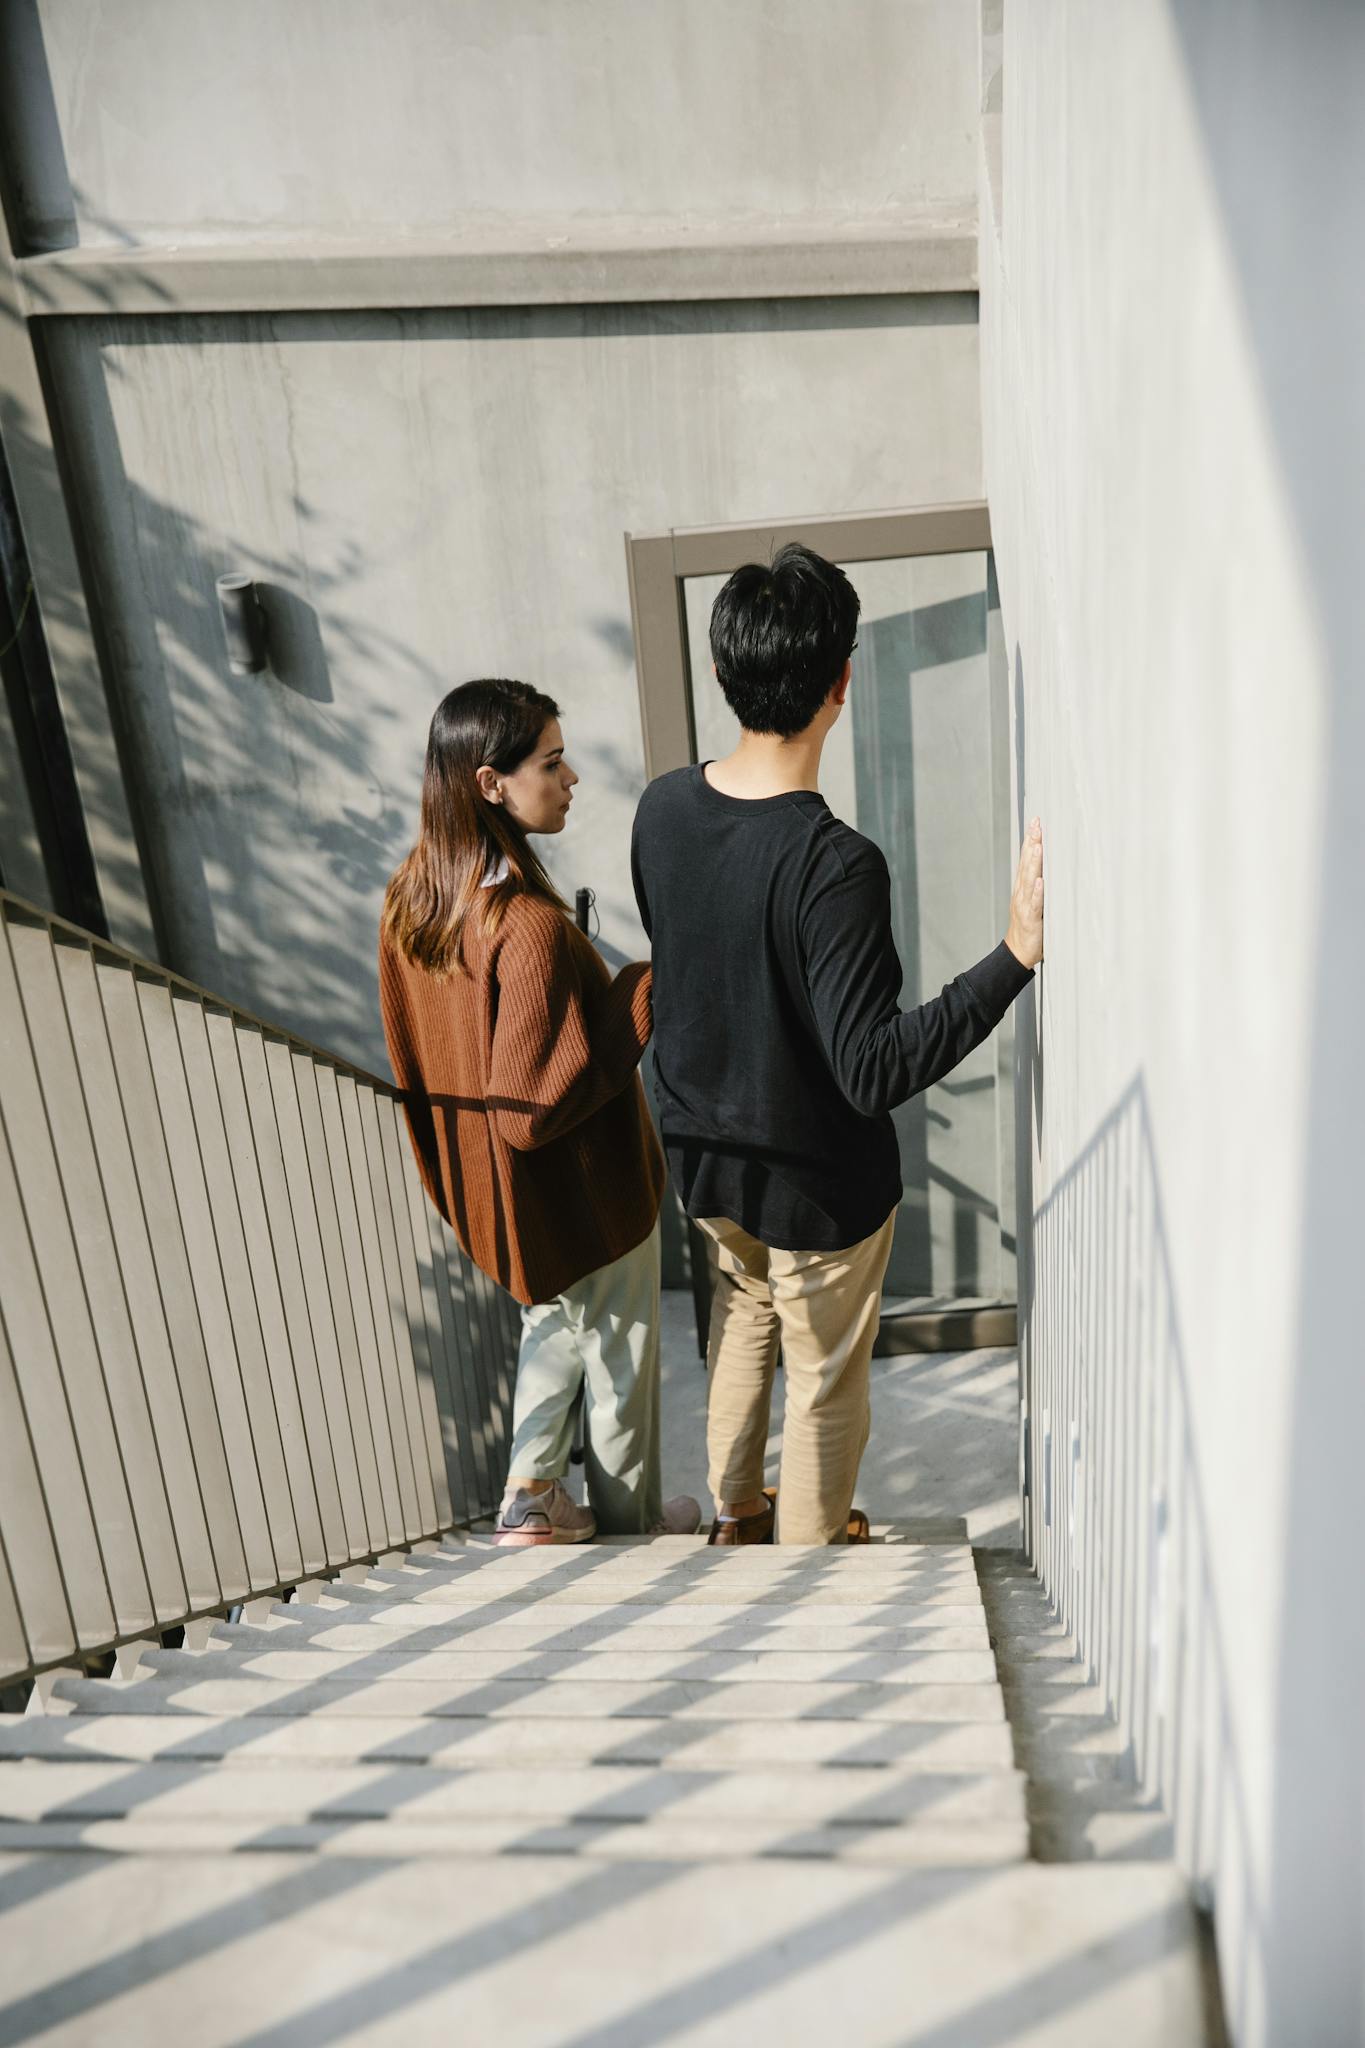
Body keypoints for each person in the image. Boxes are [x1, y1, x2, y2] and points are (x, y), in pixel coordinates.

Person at [631, 545, 1044, 1546]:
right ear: (841, 684)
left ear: (728, 671)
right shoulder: (835, 864)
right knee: (820, 1378)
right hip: (815, 1188)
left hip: (701, 1159)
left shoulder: (663, 807)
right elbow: (872, 1071)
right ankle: (807, 1575)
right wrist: (1014, 957)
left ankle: (738, 1514)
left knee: (745, 1315)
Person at [380, 678, 699, 1546]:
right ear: (490, 784)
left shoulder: (412, 901)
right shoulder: (522, 924)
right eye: (551, 763)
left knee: (555, 1326)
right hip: (587, 1191)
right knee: (620, 1359)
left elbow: (425, 1061)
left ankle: (530, 1496)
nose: (571, 780)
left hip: (504, 1198)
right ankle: (636, 1532)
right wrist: (638, 990)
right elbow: (529, 1104)